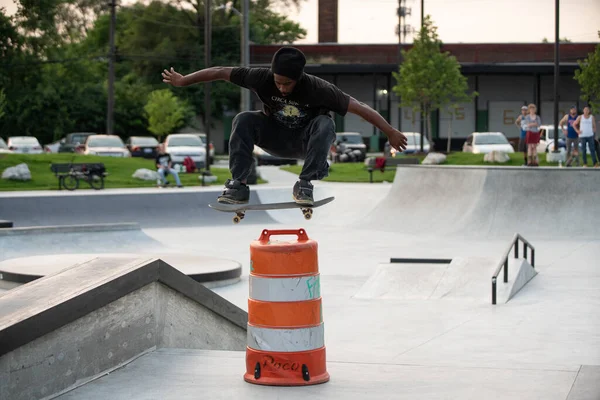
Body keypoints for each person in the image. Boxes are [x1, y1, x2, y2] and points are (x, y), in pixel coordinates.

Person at [161, 46, 407, 205]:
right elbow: (219, 71)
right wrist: (184, 81)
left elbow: (360, 107)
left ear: (299, 78)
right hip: (274, 137)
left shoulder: (319, 88)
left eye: (287, 84)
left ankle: (305, 183)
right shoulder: (260, 77)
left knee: (325, 123)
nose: (281, 88)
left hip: (304, 142)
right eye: (278, 82)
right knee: (243, 119)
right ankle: (239, 185)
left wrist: (391, 132)